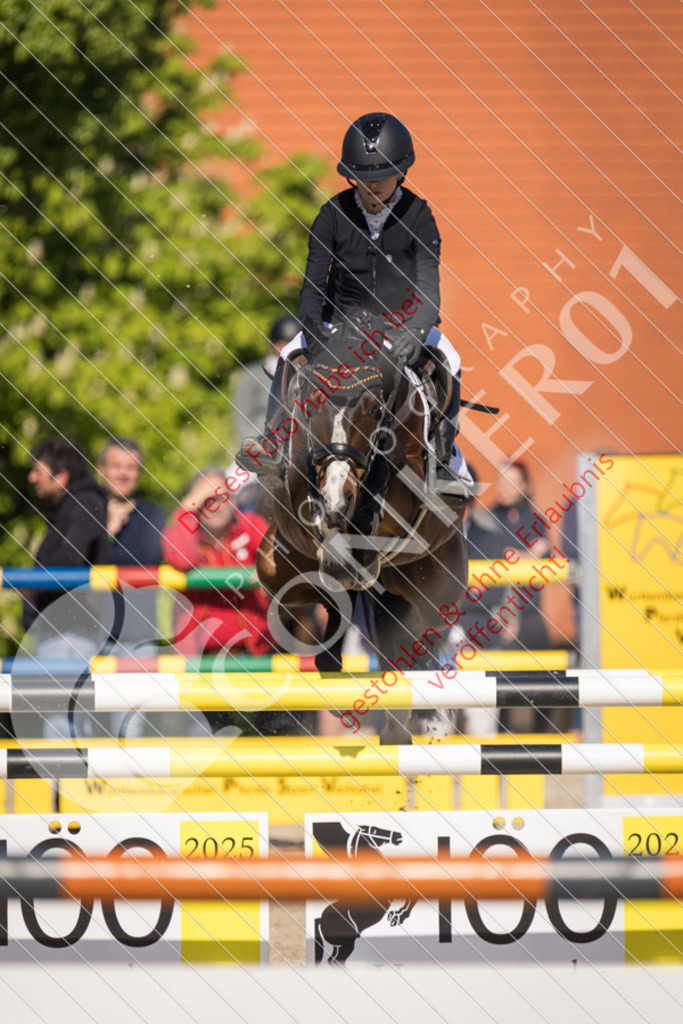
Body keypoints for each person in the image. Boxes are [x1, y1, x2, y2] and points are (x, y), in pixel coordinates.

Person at [236, 112, 471, 503]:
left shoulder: (420, 216)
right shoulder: (331, 215)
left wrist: (414, 332)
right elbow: (311, 289)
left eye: (382, 174)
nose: (372, 184)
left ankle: (442, 458)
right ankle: (273, 446)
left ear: (401, 172)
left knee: (450, 356)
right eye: (364, 176)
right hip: (338, 322)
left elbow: (430, 290)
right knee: (290, 352)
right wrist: (315, 338)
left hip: (400, 324)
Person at [23, 436, 109, 738]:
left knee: (63, 725)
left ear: (61, 477)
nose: (31, 476)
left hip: (70, 633)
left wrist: (28, 584)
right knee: (67, 722)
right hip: (65, 632)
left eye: (38, 469)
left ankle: (65, 787)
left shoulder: (84, 504)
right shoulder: (74, 505)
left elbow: (67, 563)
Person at [96, 437, 168, 737]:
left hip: (137, 636)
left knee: (129, 727)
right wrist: (107, 532)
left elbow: (151, 557)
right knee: (81, 722)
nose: (123, 473)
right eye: (116, 466)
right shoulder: (85, 511)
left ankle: (123, 786)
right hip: (86, 635)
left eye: (131, 467)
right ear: (101, 470)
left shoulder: (154, 515)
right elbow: (71, 563)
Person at [162, 468, 273, 658]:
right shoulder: (182, 531)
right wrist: (187, 508)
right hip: (196, 657)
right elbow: (182, 559)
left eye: (222, 497)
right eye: (206, 499)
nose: (215, 506)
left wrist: (266, 568)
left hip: (251, 654)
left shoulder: (251, 525)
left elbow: (279, 557)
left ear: (234, 502)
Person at [231, 314, 301, 446]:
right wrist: (260, 446)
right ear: (272, 344)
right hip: (260, 444)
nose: (287, 349)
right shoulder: (251, 375)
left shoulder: (305, 373)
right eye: (283, 344)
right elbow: (242, 420)